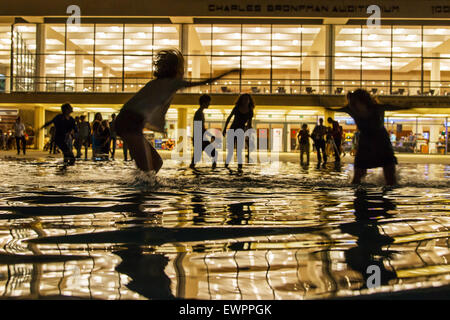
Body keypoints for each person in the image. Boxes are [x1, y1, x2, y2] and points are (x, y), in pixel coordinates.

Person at [115, 49, 238, 173]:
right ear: (176, 69)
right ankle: (137, 189)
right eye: (182, 67)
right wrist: (227, 73)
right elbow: (204, 82)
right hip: (129, 124)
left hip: (129, 123)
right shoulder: (171, 83)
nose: (184, 71)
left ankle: (137, 184)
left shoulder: (156, 83)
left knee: (157, 163)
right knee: (146, 172)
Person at [328, 89, 411, 186]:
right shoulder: (351, 109)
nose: (353, 106)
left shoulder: (376, 108)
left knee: (390, 177)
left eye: (354, 103)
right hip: (365, 141)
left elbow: (392, 107)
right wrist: (326, 107)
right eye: (351, 104)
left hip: (381, 141)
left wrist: (408, 107)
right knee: (357, 176)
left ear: (363, 101)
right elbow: (334, 109)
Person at [222, 93, 255, 172]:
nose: (245, 101)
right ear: (241, 100)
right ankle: (226, 166)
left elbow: (249, 124)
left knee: (239, 151)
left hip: (241, 131)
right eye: (244, 99)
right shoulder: (237, 108)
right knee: (230, 150)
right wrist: (224, 129)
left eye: (247, 99)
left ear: (249, 100)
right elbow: (229, 118)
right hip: (232, 129)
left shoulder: (250, 111)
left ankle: (240, 167)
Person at [190, 94, 217, 169]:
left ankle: (192, 171)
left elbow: (201, 127)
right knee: (213, 153)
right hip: (200, 138)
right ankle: (213, 171)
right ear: (204, 102)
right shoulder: (199, 113)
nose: (209, 104)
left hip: (199, 137)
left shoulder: (200, 113)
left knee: (196, 158)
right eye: (208, 102)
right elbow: (200, 127)